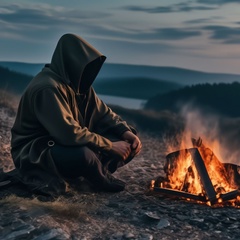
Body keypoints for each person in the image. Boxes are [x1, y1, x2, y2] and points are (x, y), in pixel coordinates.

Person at [10, 33, 142, 195]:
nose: (89, 71)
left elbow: (104, 114)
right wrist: (110, 146)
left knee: (127, 138)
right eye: (85, 65)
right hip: (37, 152)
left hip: (62, 143)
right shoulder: (47, 88)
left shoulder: (78, 85)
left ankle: (92, 170)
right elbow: (68, 134)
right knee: (82, 155)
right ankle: (99, 178)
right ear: (72, 62)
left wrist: (125, 132)